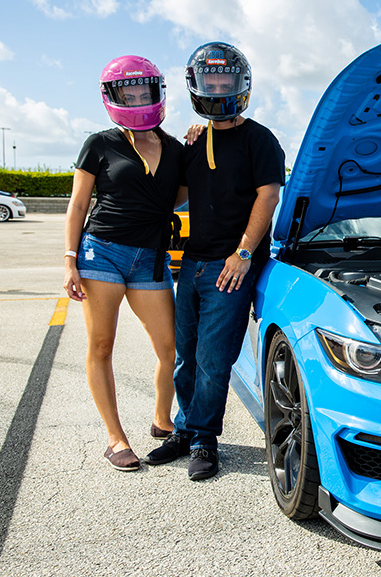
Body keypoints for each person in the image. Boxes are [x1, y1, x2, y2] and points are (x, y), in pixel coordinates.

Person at [143, 42, 285, 481]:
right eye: (211, 80)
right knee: (184, 355)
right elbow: (180, 195)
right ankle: (185, 430)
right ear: (196, 84)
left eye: (226, 80)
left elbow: (269, 196)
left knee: (212, 360)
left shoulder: (260, 139)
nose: (218, 88)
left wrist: (243, 253)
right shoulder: (194, 141)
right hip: (192, 265)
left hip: (231, 267)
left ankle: (204, 439)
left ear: (241, 84)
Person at [64, 56, 184, 471]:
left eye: (142, 92)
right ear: (113, 97)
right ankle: (115, 439)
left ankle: (162, 420)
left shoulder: (177, 149)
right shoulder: (99, 144)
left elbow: (182, 195)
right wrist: (69, 259)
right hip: (102, 252)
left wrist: (201, 136)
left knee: (171, 349)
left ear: (156, 92)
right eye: (127, 94)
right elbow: (78, 205)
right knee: (101, 345)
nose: (135, 100)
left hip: (150, 258)